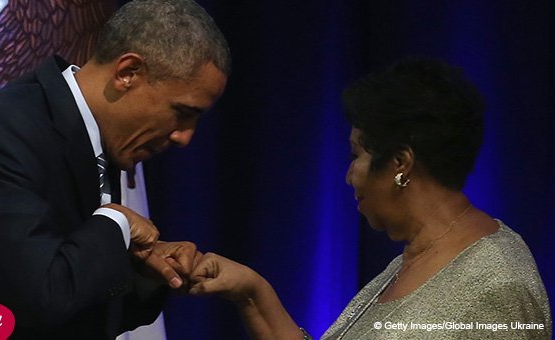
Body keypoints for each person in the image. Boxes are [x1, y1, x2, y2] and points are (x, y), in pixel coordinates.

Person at [0, 0, 230, 339]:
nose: (184, 137)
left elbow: (81, 313)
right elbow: (42, 297)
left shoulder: (93, 135)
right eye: (182, 112)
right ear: (127, 73)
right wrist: (117, 223)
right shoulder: (6, 132)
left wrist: (144, 272)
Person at [188, 58, 551, 339]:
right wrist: (252, 292)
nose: (349, 176)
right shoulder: (414, 259)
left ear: (400, 163)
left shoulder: (499, 288)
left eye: (356, 155)